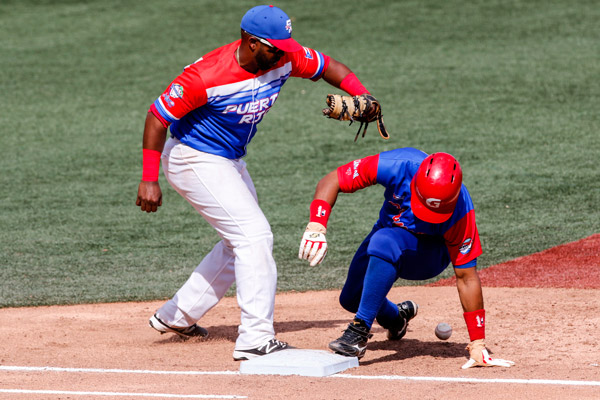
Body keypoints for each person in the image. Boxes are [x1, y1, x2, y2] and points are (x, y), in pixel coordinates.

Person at [135, 5, 379, 361]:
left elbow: (329, 66)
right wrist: (149, 179)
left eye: (285, 47)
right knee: (254, 237)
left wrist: (362, 95)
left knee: (238, 242)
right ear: (251, 42)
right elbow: (157, 117)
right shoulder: (206, 76)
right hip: (192, 157)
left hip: (228, 160)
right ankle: (255, 338)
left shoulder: (285, 57)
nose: (283, 54)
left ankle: (177, 316)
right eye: (274, 48)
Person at [298, 148, 515, 368]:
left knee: (383, 241)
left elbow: (467, 277)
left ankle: (358, 331)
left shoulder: (462, 211)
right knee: (352, 298)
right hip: (388, 234)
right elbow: (333, 180)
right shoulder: (397, 165)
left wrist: (477, 342)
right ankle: (396, 318)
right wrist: (317, 225)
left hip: (429, 255)